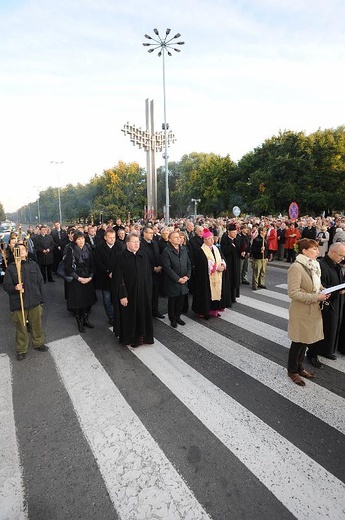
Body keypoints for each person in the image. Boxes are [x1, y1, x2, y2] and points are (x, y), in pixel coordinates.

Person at [287, 238, 330, 386]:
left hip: (312, 309)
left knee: (305, 341)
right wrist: (316, 297)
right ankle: (292, 371)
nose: (318, 251)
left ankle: (300, 368)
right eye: (314, 249)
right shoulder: (296, 267)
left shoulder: (314, 265)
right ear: (304, 251)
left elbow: (316, 285)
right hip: (301, 310)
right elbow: (293, 293)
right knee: (298, 341)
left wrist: (324, 291)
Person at [3, 242, 49, 361]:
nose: (21, 251)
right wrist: (15, 288)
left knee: (36, 324)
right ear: (15, 253)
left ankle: (38, 343)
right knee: (21, 328)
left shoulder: (33, 265)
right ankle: (21, 349)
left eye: (23, 249)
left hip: (34, 301)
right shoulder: (11, 268)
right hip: (18, 303)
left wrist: (42, 299)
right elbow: (6, 286)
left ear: (26, 252)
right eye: (18, 250)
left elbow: (40, 282)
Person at [306, 242, 345, 367]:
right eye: (340, 255)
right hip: (325, 303)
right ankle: (312, 354)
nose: (342, 258)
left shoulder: (336, 264)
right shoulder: (321, 265)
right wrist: (337, 290)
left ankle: (327, 350)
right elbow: (319, 287)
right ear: (332, 252)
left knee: (332, 328)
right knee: (320, 329)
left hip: (336, 302)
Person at [112, 233, 154, 347]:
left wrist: (149, 290)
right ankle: (131, 339)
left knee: (143, 314)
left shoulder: (143, 255)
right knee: (130, 317)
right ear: (127, 244)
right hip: (129, 294)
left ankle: (143, 337)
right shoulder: (120, 256)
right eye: (134, 242)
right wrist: (122, 295)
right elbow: (118, 278)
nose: (136, 244)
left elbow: (148, 274)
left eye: (138, 242)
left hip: (143, 292)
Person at [64, 231, 97, 332]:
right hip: (76, 279)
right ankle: (79, 322)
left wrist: (90, 277)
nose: (81, 241)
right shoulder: (71, 250)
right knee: (78, 302)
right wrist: (78, 278)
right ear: (75, 240)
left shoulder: (88, 248)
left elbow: (92, 264)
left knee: (88, 300)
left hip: (87, 277)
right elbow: (68, 267)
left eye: (82, 238)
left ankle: (86, 319)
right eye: (78, 239)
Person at [192, 228, 227, 319]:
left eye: (212, 238)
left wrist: (222, 265)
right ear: (205, 240)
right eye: (210, 239)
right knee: (206, 294)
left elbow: (222, 258)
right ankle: (204, 312)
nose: (212, 240)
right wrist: (215, 268)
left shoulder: (216, 248)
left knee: (216, 292)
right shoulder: (201, 250)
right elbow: (202, 264)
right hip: (206, 277)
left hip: (217, 275)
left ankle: (214, 310)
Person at [162, 230, 191, 328]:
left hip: (184, 279)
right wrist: (178, 279)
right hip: (173, 281)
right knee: (173, 301)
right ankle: (172, 319)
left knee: (181, 300)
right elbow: (167, 268)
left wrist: (187, 276)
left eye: (179, 237)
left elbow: (188, 263)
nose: (178, 239)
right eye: (175, 237)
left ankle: (178, 316)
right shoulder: (166, 251)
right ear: (170, 240)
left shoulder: (183, 249)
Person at [94, 228, 118, 325]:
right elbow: (98, 263)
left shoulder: (119, 246)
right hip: (105, 277)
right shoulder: (99, 248)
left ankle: (117, 314)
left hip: (117, 277)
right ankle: (111, 316)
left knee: (116, 297)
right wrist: (108, 272)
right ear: (105, 238)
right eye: (110, 238)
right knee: (106, 299)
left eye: (114, 237)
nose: (112, 240)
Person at [140, 225, 165, 318]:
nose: (152, 235)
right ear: (144, 233)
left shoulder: (155, 243)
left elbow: (158, 255)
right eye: (150, 233)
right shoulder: (140, 244)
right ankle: (147, 312)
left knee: (155, 294)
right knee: (147, 294)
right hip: (147, 273)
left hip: (157, 273)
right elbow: (142, 259)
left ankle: (155, 310)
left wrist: (160, 266)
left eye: (152, 233)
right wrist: (152, 268)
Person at [220, 223, 241, 303]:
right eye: (233, 233)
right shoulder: (225, 239)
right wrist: (230, 247)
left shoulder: (237, 239)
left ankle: (234, 296)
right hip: (229, 262)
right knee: (229, 280)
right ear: (229, 232)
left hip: (236, 262)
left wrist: (244, 252)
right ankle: (228, 297)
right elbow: (224, 251)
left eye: (235, 232)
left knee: (235, 279)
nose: (235, 234)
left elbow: (240, 248)